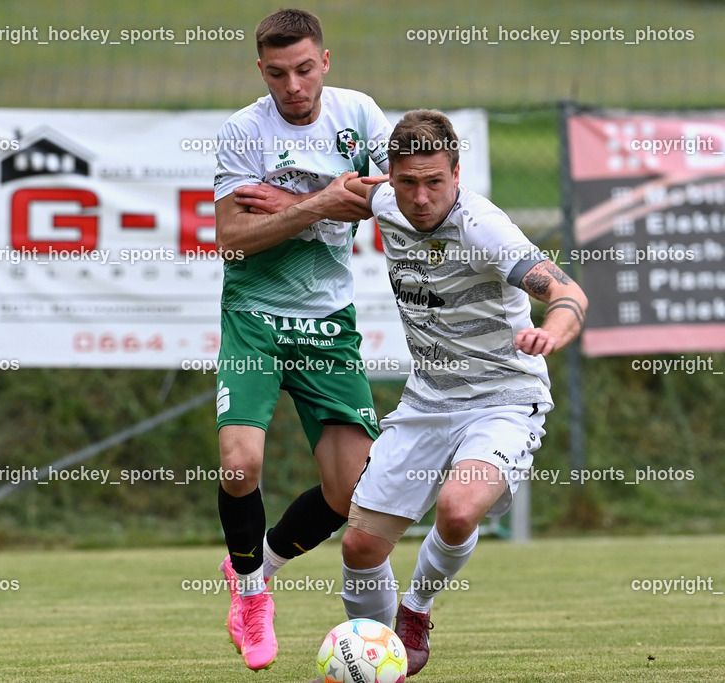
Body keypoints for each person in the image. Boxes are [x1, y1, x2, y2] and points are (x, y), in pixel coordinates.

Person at [337, 109, 588, 676]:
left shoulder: (483, 228)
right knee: (360, 548)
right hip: (427, 401)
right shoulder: (386, 200)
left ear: (456, 172)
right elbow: (348, 189)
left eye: (434, 181)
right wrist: (285, 205)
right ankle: (378, 666)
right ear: (392, 176)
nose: (420, 197)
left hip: (504, 399)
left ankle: (416, 611)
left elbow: (569, 293)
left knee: (456, 510)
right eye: (407, 182)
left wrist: (552, 331)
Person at [211, 8, 392, 671]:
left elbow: (397, 198)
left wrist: (289, 205)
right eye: (279, 74)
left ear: (325, 62)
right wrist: (321, 203)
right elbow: (233, 238)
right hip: (255, 315)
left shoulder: (359, 115)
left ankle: (257, 565)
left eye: (305, 69)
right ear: (262, 71)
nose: (294, 86)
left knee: (352, 495)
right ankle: (251, 597)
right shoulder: (243, 131)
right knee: (239, 465)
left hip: (328, 324)